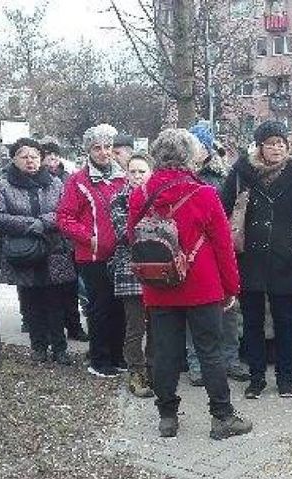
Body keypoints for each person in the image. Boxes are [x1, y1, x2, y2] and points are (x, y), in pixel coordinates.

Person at [126, 128, 252, 440]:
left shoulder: (140, 195)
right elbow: (223, 247)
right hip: (202, 286)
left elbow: (132, 238)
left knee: (166, 353)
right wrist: (231, 289)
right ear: (188, 156)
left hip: (159, 285)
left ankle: (167, 417)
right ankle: (222, 417)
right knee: (210, 351)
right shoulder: (205, 194)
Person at [220, 121, 292, 399]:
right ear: (260, 146)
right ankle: (256, 377)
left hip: (285, 261)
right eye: (270, 143)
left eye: (280, 143)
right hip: (250, 259)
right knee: (251, 322)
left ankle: (285, 377)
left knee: (286, 322)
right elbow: (221, 209)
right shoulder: (242, 171)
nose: (276, 148)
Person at [0, 137, 76, 364]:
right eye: (24, 156)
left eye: (34, 157)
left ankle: (60, 348)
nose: (30, 161)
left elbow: (64, 211)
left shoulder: (55, 183)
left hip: (53, 248)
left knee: (55, 301)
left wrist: (44, 222)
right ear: (14, 159)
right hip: (23, 250)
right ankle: (38, 346)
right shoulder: (4, 185)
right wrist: (29, 224)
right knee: (30, 301)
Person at [57, 124, 131, 378]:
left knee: (121, 306)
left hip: (121, 254)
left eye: (108, 147)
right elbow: (64, 218)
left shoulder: (123, 177)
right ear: (88, 151)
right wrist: (91, 239)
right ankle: (99, 359)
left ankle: (118, 355)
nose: (103, 153)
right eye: (97, 148)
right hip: (92, 256)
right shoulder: (77, 181)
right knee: (101, 307)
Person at [187, 122, 249, 385]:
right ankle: (195, 363)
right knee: (193, 308)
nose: (196, 149)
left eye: (200, 145)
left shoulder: (224, 175)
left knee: (229, 307)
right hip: (192, 250)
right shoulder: (183, 175)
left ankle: (230, 359)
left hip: (222, 247)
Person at [113, 153, 155, 398]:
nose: (137, 176)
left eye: (142, 171)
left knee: (158, 325)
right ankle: (136, 372)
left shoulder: (159, 196)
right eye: (133, 171)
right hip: (130, 267)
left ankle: (153, 369)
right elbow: (125, 233)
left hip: (158, 267)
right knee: (135, 325)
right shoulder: (119, 199)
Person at [39, 135, 86, 342]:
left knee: (71, 288)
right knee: (51, 291)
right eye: (48, 155)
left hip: (68, 241)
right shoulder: (39, 179)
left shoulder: (68, 178)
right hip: (47, 242)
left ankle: (74, 327)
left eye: (55, 155)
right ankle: (52, 330)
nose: (52, 160)